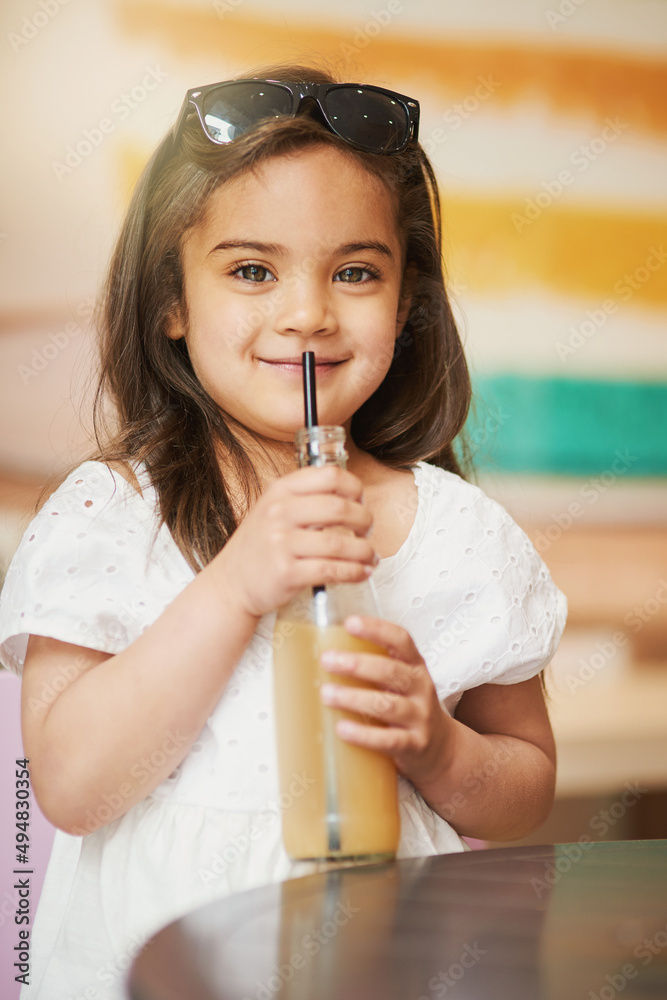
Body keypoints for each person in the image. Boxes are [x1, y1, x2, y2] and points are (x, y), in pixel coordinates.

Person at [0, 65, 567, 999]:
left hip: (391, 962)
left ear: (406, 302)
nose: (306, 313)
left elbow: (525, 786)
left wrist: (439, 748)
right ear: (172, 303)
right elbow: (70, 785)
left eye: (354, 271)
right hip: (157, 965)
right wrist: (233, 584)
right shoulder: (110, 514)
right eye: (252, 270)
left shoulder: (460, 533)